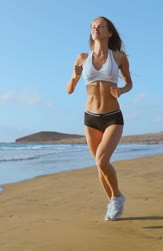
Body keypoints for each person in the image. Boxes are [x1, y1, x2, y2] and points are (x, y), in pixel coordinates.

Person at [66, 17, 133, 221]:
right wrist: (75, 77)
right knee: (99, 165)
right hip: (90, 117)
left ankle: (117, 197)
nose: (96, 29)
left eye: (101, 26)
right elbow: (69, 90)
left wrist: (120, 90)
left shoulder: (119, 57)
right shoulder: (82, 58)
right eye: (93, 27)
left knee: (103, 161)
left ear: (109, 33)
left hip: (113, 116)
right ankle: (112, 201)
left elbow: (129, 83)